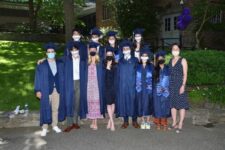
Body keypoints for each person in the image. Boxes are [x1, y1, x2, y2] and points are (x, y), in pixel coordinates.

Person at [34, 43, 65, 137]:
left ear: (55, 53)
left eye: (52, 52)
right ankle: (44, 127)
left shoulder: (60, 63)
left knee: (55, 108)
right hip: (46, 89)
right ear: (46, 53)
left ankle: (54, 125)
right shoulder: (42, 65)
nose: (50, 53)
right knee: (45, 107)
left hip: (57, 89)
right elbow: (37, 78)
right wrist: (38, 90)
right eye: (49, 52)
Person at [63, 42, 87, 132]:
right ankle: (69, 124)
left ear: (78, 50)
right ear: (70, 51)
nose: (74, 51)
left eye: (76, 50)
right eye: (72, 50)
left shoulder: (82, 60)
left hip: (79, 82)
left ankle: (75, 122)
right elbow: (56, 60)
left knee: (77, 102)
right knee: (69, 102)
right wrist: (43, 59)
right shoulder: (67, 59)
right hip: (70, 82)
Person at [116, 39, 140, 129]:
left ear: (130, 49)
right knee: (124, 102)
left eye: (127, 48)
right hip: (123, 85)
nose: (126, 50)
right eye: (124, 48)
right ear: (122, 50)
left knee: (133, 102)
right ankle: (125, 121)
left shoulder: (135, 60)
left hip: (133, 85)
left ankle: (134, 121)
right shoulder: (120, 61)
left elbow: (138, 73)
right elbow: (118, 73)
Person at [84, 42, 105, 130]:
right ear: (89, 51)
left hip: (96, 85)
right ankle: (92, 121)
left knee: (96, 103)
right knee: (90, 103)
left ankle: (95, 123)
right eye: (91, 49)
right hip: (89, 85)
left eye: (94, 49)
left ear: (96, 51)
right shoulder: (86, 61)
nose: (92, 50)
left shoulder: (99, 61)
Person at [168, 43, 189, 133]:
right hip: (171, 85)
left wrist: (183, 86)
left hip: (180, 85)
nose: (175, 50)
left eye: (176, 49)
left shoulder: (183, 60)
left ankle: (180, 123)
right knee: (172, 105)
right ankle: (174, 122)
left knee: (181, 105)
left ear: (179, 50)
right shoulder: (170, 60)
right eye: (173, 49)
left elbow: (185, 74)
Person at [136, 45, 154, 130]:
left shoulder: (151, 66)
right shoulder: (137, 66)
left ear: (148, 57)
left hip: (148, 89)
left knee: (148, 104)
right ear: (140, 57)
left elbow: (154, 78)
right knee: (141, 104)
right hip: (139, 88)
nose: (144, 57)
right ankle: (143, 121)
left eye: (145, 56)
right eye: (142, 56)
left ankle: (148, 120)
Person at [153, 50, 170, 131]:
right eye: (159, 58)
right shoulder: (155, 69)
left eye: (162, 58)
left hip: (166, 91)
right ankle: (158, 122)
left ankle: (164, 122)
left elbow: (170, 79)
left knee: (165, 106)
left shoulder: (168, 68)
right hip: (157, 91)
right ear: (157, 60)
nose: (160, 59)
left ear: (164, 59)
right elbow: (152, 81)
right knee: (157, 106)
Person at [104, 46, 117, 131]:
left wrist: (110, 67)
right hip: (107, 87)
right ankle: (112, 122)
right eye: (107, 54)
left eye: (110, 54)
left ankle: (109, 121)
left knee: (113, 103)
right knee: (108, 104)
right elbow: (104, 77)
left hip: (114, 86)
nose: (109, 56)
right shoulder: (103, 64)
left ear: (112, 55)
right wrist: (107, 68)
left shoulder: (116, 64)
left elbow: (115, 76)